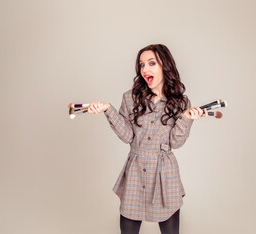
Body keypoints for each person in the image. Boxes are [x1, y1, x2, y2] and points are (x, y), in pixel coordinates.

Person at [87, 44, 207, 234]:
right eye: (142, 65)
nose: (145, 69)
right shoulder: (130, 98)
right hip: (135, 170)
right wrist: (108, 110)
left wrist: (186, 118)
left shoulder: (181, 103)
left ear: (165, 66)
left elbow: (176, 143)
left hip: (164, 174)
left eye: (151, 63)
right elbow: (128, 136)